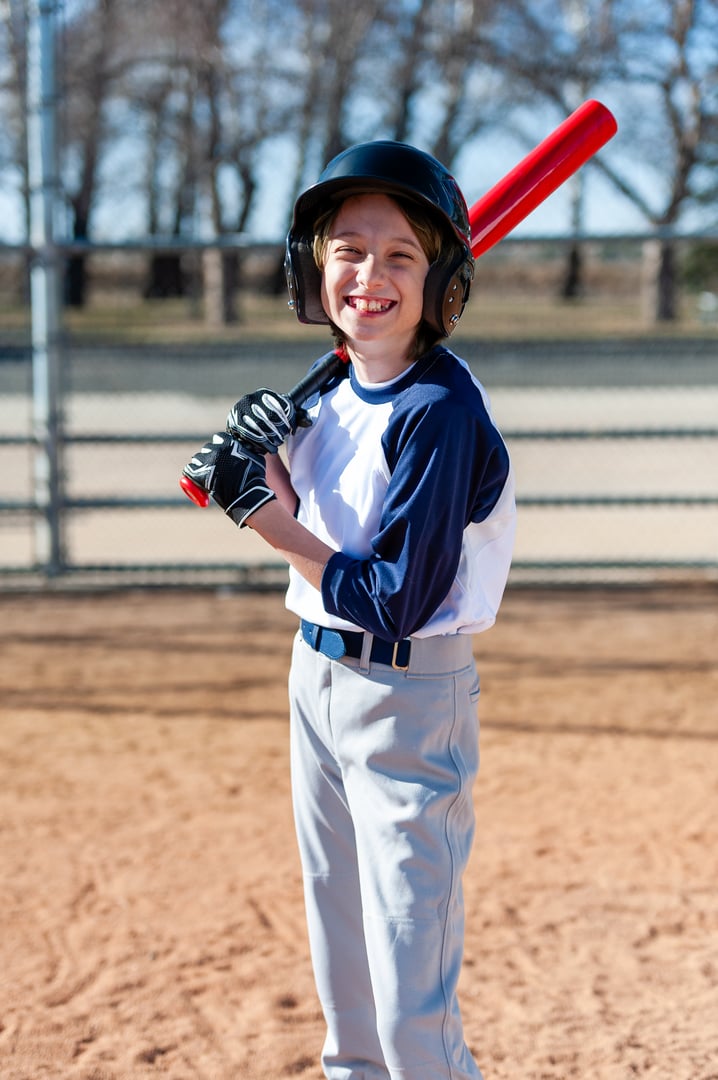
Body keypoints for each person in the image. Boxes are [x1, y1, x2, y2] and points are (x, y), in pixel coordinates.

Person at [183, 141, 516, 1079]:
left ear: (443, 278)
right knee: (347, 977)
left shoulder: (440, 411)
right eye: (348, 251)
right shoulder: (335, 382)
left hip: (408, 699)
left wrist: (272, 523)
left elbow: (397, 598)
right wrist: (267, 457)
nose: (370, 275)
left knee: (410, 990)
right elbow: (323, 500)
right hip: (316, 677)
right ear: (312, 269)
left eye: (402, 254)